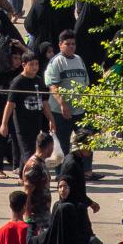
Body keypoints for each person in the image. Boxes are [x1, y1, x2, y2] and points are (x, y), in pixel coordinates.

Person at [43, 29, 90, 157]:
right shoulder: (56, 62)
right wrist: (63, 104)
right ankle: (61, 173)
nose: (71, 47)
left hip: (80, 110)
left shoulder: (79, 59)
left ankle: (87, 172)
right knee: (62, 144)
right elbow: (53, 86)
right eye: (67, 44)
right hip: (61, 111)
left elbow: (85, 83)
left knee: (85, 141)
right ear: (60, 45)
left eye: (73, 44)